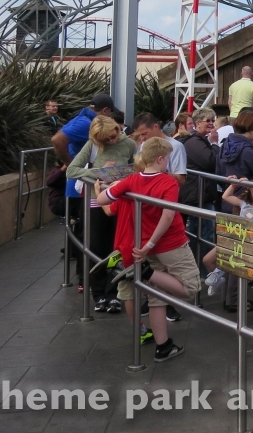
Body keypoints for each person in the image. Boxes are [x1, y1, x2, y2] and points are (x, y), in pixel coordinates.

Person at [96, 138, 199, 363]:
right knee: (191, 287)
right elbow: (168, 214)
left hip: (143, 246)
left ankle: (164, 346)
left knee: (157, 297)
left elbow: (104, 199)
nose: (169, 164)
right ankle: (144, 273)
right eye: (168, 159)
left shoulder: (132, 180)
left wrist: (105, 188)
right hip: (168, 244)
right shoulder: (167, 182)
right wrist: (151, 245)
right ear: (160, 159)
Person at [66, 114, 136, 314]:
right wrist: (98, 172)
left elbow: (136, 168)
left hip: (119, 200)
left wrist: (123, 174)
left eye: (112, 136)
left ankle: (113, 293)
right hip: (95, 200)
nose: (111, 141)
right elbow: (72, 171)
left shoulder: (129, 143)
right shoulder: (92, 145)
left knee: (118, 248)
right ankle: (98, 295)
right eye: (106, 139)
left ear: (117, 129)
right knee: (96, 247)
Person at [52, 93, 116, 290]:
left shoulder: (87, 120)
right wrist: (71, 165)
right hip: (82, 189)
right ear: (105, 111)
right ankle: (85, 279)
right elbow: (58, 139)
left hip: (90, 187)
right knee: (87, 235)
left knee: (92, 235)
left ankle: (93, 277)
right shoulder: (85, 123)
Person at [217, 108, 253, 312]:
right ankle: (235, 300)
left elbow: (219, 170)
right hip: (248, 202)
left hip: (230, 198)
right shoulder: (249, 150)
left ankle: (229, 297)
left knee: (232, 252)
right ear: (252, 128)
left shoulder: (226, 145)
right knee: (242, 255)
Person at [204, 178, 253, 296]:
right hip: (235, 239)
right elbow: (225, 196)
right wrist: (233, 185)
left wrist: (249, 185)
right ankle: (218, 278)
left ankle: (219, 272)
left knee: (231, 258)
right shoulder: (244, 203)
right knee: (207, 260)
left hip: (251, 244)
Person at [177, 108, 219, 276]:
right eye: (207, 120)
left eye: (212, 120)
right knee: (202, 234)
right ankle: (202, 271)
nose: (211, 123)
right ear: (197, 123)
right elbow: (210, 162)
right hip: (197, 196)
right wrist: (215, 144)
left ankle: (199, 270)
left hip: (201, 194)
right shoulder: (195, 142)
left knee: (201, 233)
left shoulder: (199, 140)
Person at [131, 113, 187, 185]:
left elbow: (181, 180)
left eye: (144, 134)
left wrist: (157, 172)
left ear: (156, 127)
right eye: (139, 135)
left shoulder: (176, 146)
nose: (142, 138)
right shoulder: (144, 145)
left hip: (165, 192)